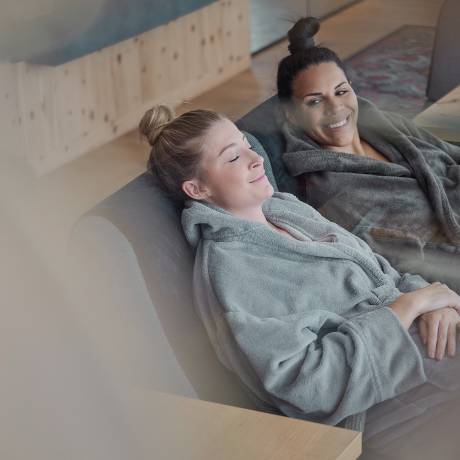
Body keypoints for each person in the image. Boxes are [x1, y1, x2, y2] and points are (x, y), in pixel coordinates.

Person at [139, 105, 460, 458]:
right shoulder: (233, 271)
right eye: (233, 157)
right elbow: (310, 386)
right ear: (197, 189)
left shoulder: (286, 209)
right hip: (375, 400)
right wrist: (409, 306)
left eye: (247, 144)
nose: (255, 158)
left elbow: (380, 270)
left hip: (419, 344)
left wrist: (430, 301)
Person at [276, 17, 460, 296]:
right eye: (314, 101)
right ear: (291, 113)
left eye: (341, 91)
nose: (336, 107)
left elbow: (448, 155)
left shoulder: (382, 125)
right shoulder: (330, 192)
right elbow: (411, 261)